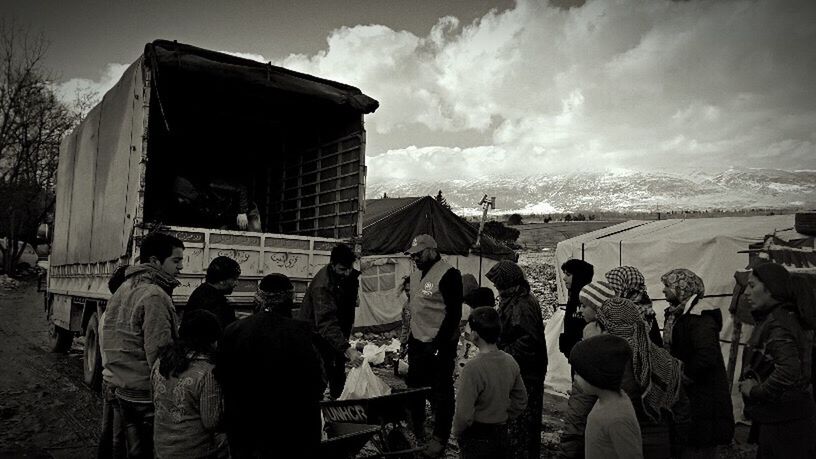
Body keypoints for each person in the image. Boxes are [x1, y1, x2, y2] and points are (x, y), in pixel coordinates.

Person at [217, 273, 326, 458]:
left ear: (258, 298)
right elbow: (319, 383)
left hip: (245, 430)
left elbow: (222, 378)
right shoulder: (303, 332)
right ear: (289, 300)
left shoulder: (233, 331)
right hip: (293, 432)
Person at [100, 232, 185, 458]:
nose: (181, 267)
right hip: (143, 391)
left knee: (124, 447)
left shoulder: (124, 287)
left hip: (120, 384)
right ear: (155, 261)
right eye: (176, 261)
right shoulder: (155, 295)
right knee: (145, 450)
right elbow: (159, 352)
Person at [739, 262, 816, 459]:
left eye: (752, 285)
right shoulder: (781, 317)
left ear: (771, 288)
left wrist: (755, 390)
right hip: (786, 416)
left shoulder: (778, 323)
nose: (746, 292)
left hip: (785, 422)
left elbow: (789, 370)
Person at [661, 269, 734, 458]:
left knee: (701, 446)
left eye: (668, 286)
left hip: (703, 395)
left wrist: (685, 376)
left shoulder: (699, 317)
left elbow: (706, 355)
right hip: (691, 395)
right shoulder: (679, 315)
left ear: (681, 289)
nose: (663, 291)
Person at [403, 234, 463, 457]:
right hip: (418, 341)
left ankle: (440, 437)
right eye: (413, 255)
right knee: (415, 387)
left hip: (440, 345)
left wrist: (438, 344)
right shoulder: (416, 272)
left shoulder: (449, 274)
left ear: (431, 250)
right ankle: (417, 428)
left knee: (442, 392)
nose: (415, 258)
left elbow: (453, 314)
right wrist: (409, 339)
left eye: (418, 254)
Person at [486, 260, 547, 459]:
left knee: (522, 422)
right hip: (521, 371)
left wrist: (501, 352)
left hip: (526, 374)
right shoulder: (516, 298)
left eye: (498, 284)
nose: (496, 288)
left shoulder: (522, 304)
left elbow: (528, 341)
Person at [453, 307, 528, 459]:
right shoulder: (510, 361)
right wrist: (504, 415)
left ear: (474, 335)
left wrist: (458, 432)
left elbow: (463, 414)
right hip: (501, 433)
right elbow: (521, 400)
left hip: (477, 435)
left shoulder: (472, 368)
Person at [151, 310, 227, 458]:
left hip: (162, 448)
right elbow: (211, 422)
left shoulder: (161, 362)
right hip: (194, 450)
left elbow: (154, 399)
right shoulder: (208, 372)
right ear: (211, 339)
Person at [298, 243, 363, 400]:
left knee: (337, 372)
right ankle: (317, 413)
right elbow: (326, 322)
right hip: (317, 336)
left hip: (336, 334)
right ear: (332, 264)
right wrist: (347, 349)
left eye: (349, 268)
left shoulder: (346, 276)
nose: (347, 273)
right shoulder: (322, 286)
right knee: (318, 377)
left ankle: (338, 408)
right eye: (342, 269)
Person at [570, 334, 643, 459]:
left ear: (595, 375)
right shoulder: (607, 401)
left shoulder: (618, 418)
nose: (575, 379)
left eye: (578, 373)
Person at [98, 265, 130, 459]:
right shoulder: (118, 315)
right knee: (119, 438)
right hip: (119, 382)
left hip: (109, 378)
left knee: (108, 431)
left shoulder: (109, 313)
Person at [170, 175, 262, 232]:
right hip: (227, 217)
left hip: (246, 211)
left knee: (256, 237)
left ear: (187, 192)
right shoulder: (195, 202)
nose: (180, 201)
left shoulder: (212, 185)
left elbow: (241, 189)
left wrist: (242, 212)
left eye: (181, 197)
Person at [605, 266, 663, 346]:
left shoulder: (625, 310)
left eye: (613, 285)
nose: (610, 288)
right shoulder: (644, 306)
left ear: (622, 286)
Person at [184, 256, 241, 330]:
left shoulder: (202, 293)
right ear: (222, 280)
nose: (236, 283)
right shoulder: (214, 303)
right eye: (234, 279)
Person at [560, 259, 594, 359]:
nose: (564, 278)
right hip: (575, 354)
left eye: (568, 275)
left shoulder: (586, 301)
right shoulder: (573, 297)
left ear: (579, 277)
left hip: (584, 357)